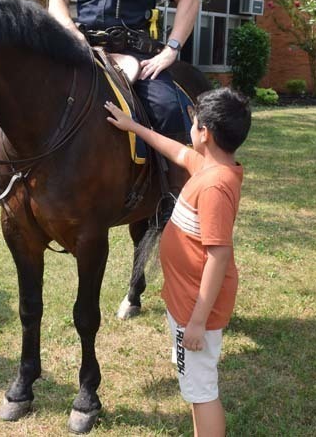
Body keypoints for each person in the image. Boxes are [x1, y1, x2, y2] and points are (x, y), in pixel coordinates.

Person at [49, 0, 200, 212]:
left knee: (167, 109)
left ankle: (175, 199)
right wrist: (70, 32)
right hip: (82, 51)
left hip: (135, 54)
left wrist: (171, 51)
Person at [104, 87, 251, 437]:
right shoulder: (211, 166)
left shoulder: (215, 186)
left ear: (205, 133)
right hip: (184, 301)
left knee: (202, 393)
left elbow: (219, 254)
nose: (190, 128)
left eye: (194, 122)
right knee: (195, 387)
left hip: (195, 311)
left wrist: (197, 321)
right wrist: (133, 127)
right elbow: (177, 152)